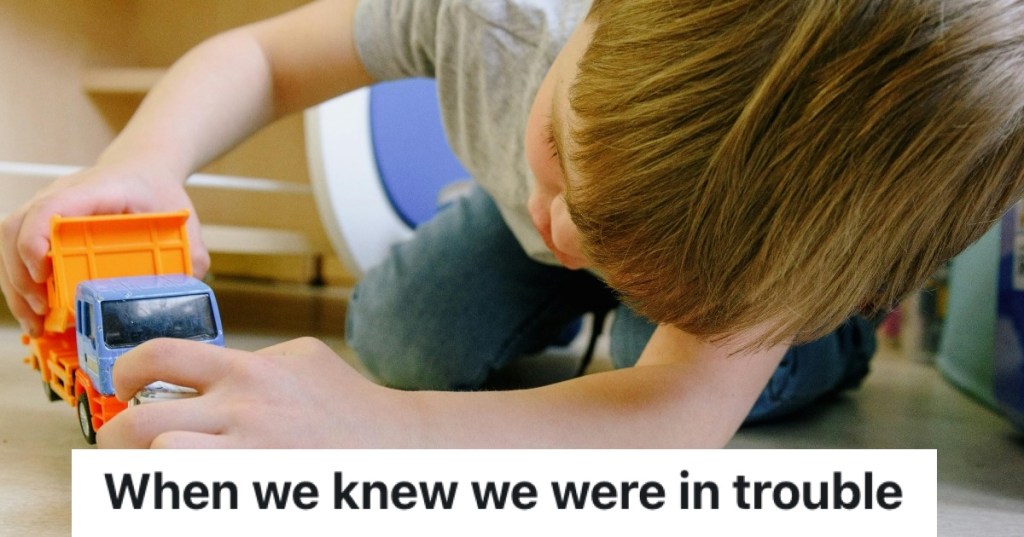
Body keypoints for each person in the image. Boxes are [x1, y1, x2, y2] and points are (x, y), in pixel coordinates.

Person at [3, 0, 1023, 448]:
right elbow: (262, 58)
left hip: (731, 300)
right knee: (401, 335)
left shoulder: (784, 233)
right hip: (507, 224)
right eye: (566, 159)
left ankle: (818, 350)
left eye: (615, 241)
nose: (571, 229)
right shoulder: (488, 13)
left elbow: (668, 423)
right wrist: (139, 163)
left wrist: (388, 432)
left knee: (643, 356)